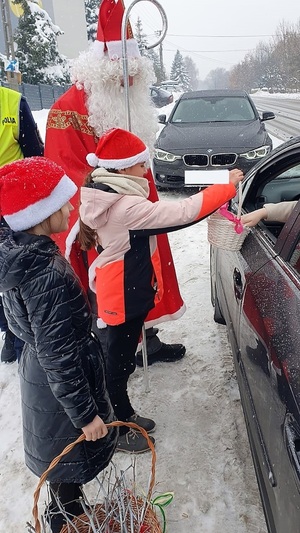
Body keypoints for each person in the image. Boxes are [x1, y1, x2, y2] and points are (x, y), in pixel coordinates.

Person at [78, 127, 244, 453]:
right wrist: (225, 188)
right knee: (118, 365)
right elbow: (181, 213)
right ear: (123, 167)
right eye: (141, 164)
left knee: (120, 361)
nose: (145, 170)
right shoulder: (124, 206)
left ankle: (123, 413)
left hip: (122, 292)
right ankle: (116, 428)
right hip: (121, 298)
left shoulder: (106, 192)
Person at [44, 0, 186, 367]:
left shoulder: (131, 101)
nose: (128, 83)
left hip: (141, 206)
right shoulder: (69, 107)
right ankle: (115, 356)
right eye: (121, 76)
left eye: (133, 77)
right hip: (103, 214)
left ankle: (146, 338)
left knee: (144, 276)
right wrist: (105, 198)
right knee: (113, 285)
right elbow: (64, 166)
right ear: (101, 69)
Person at [0, 157, 118, 533]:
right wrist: (86, 416)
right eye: (62, 202)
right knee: (67, 466)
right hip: (60, 390)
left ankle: (67, 512)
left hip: (42, 381)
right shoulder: (44, 273)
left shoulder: (21, 256)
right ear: (39, 214)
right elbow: (60, 358)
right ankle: (66, 521)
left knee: (61, 468)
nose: (71, 207)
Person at [0, 85, 44, 363]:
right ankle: (13, 333)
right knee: (14, 269)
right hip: (13, 203)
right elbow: (35, 154)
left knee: (13, 267)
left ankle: (15, 335)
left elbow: (34, 155)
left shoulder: (13, 102)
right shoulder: (13, 101)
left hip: (12, 202)